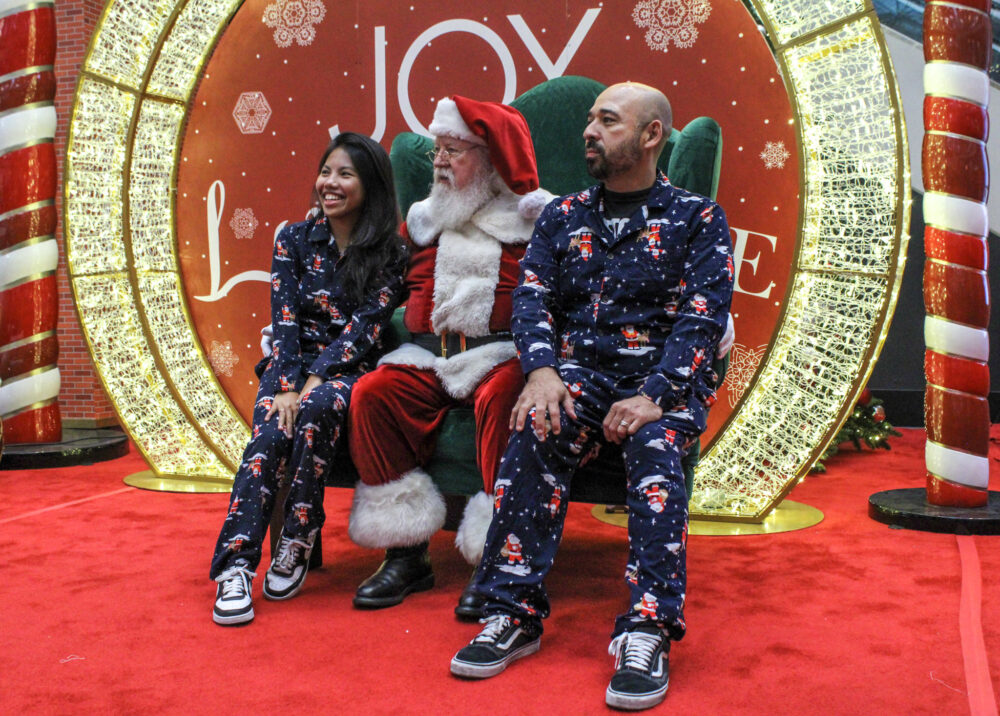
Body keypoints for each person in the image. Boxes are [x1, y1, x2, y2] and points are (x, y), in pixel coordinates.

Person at [449, 82, 735, 711]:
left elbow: (703, 316)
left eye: (608, 120)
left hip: (664, 381)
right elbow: (533, 300)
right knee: (537, 421)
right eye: (589, 120)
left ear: (651, 135)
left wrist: (657, 394)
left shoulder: (698, 219)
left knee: (657, 449)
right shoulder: (561, 215)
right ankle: (513, 612)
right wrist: (542, 372)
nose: (589, 131)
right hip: (582, 371)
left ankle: (646, 629)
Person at [346, 96, 551, 614]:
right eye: (438, 148)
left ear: (489, 160)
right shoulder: (421, 221)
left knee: (508, 395)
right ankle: (407, 554)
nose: (438, 160)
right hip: (426, 358)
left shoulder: (534, 221)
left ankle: (498, 557)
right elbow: (379, 286)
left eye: (454, 150)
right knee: (373, 394)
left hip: (500, 354)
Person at [209, 132, 408, 626]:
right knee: (271, 433)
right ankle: (235, 567)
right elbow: (285, 322)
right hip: (289, 367)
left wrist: (318, 380)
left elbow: (366, 328)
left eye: (345, 174)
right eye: (326, 171)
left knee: (319, 410)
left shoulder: (391, 253)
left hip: (351, 370)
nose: (330, 183)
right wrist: (287, 386)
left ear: (371, 186)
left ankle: (297, 539)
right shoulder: (292, 239)